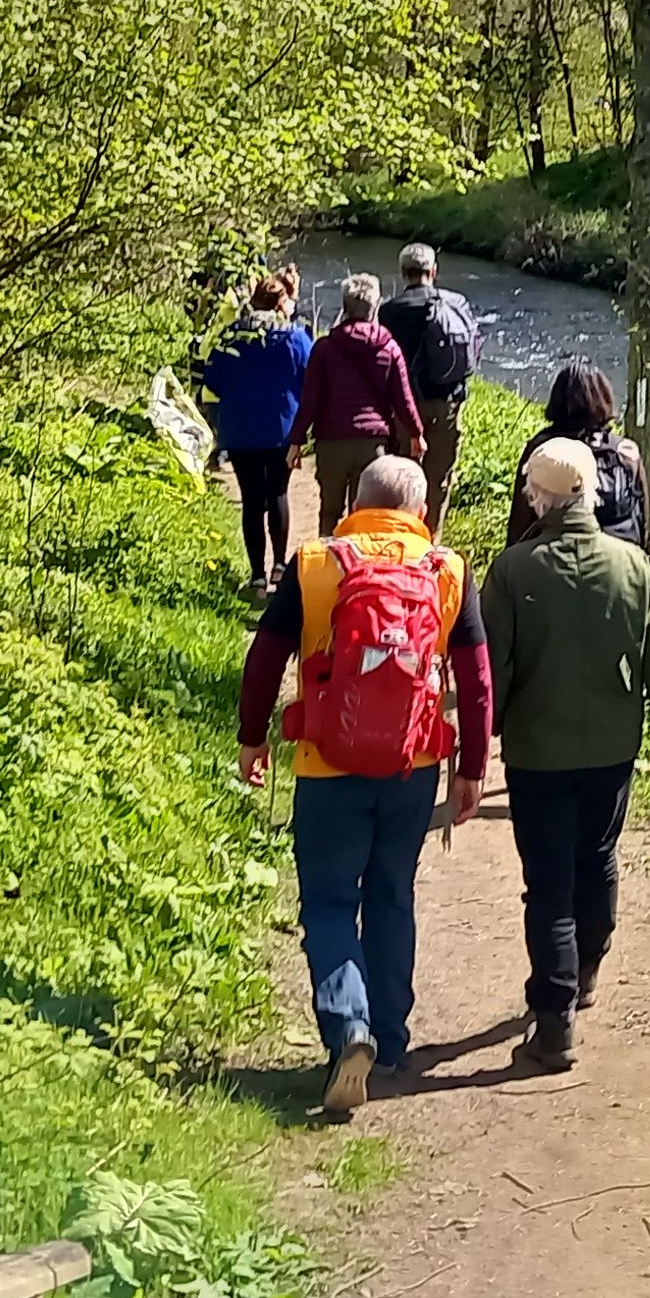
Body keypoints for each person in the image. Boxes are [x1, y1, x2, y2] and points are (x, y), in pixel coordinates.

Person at [237, 454, 490, 1115]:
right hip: (411, 767)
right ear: (420, 511)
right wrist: (472, 768)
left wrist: (252, 736)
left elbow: (265, 656)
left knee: (328, 900)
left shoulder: (316, 563)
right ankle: (392, 1042)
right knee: (391, 894)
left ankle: (350, 1025)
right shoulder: (448, 570)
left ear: (356, 502)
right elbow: (476, 677)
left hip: (328, 765)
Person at [480, 437, 650, 1072]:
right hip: (611, 746)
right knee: (597, 858)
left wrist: (483, 738)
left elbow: (494, 670)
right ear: (592, 495)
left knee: (547, 880)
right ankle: (589, 967)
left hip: (536, 750)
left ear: (537, 497)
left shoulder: (513, 570)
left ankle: (555, 1021)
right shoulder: (632, 566)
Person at [194, 271, 315, 592]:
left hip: (240, 429)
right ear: (280, 303)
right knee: (278, 493)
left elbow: (212, 380)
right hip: (282, 429)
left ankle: (257, 574)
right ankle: (280, 565)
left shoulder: (230, 337)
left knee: (251, 499)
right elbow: (311, 378)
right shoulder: (295, 337)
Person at [299, 273, 427, 533]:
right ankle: (362, 557)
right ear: (375, 306)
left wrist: (296, 440)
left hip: (331, 441)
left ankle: (327, 554)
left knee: (329, 511)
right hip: (373, 443)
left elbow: (310, 398)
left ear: (344, 307)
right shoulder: (389, 348)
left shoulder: (324, 348)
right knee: (366, 513)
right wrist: (417, 433)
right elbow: (403, 400)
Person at [378, 243, 481, 534]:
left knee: (400, 478)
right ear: (433, 271)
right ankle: (430, 540)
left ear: (403, 273)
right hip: (447, 403)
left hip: (403, 408)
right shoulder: (456, 305)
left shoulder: (390, 311)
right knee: (438, 479)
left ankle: (400, 536)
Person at [502, 361, 649, 548]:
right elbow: (642, 521)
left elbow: (520, 523)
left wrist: (512, 558)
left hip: (552, 556)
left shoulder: (543, 450)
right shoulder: (626, 452)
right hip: (619, 556)